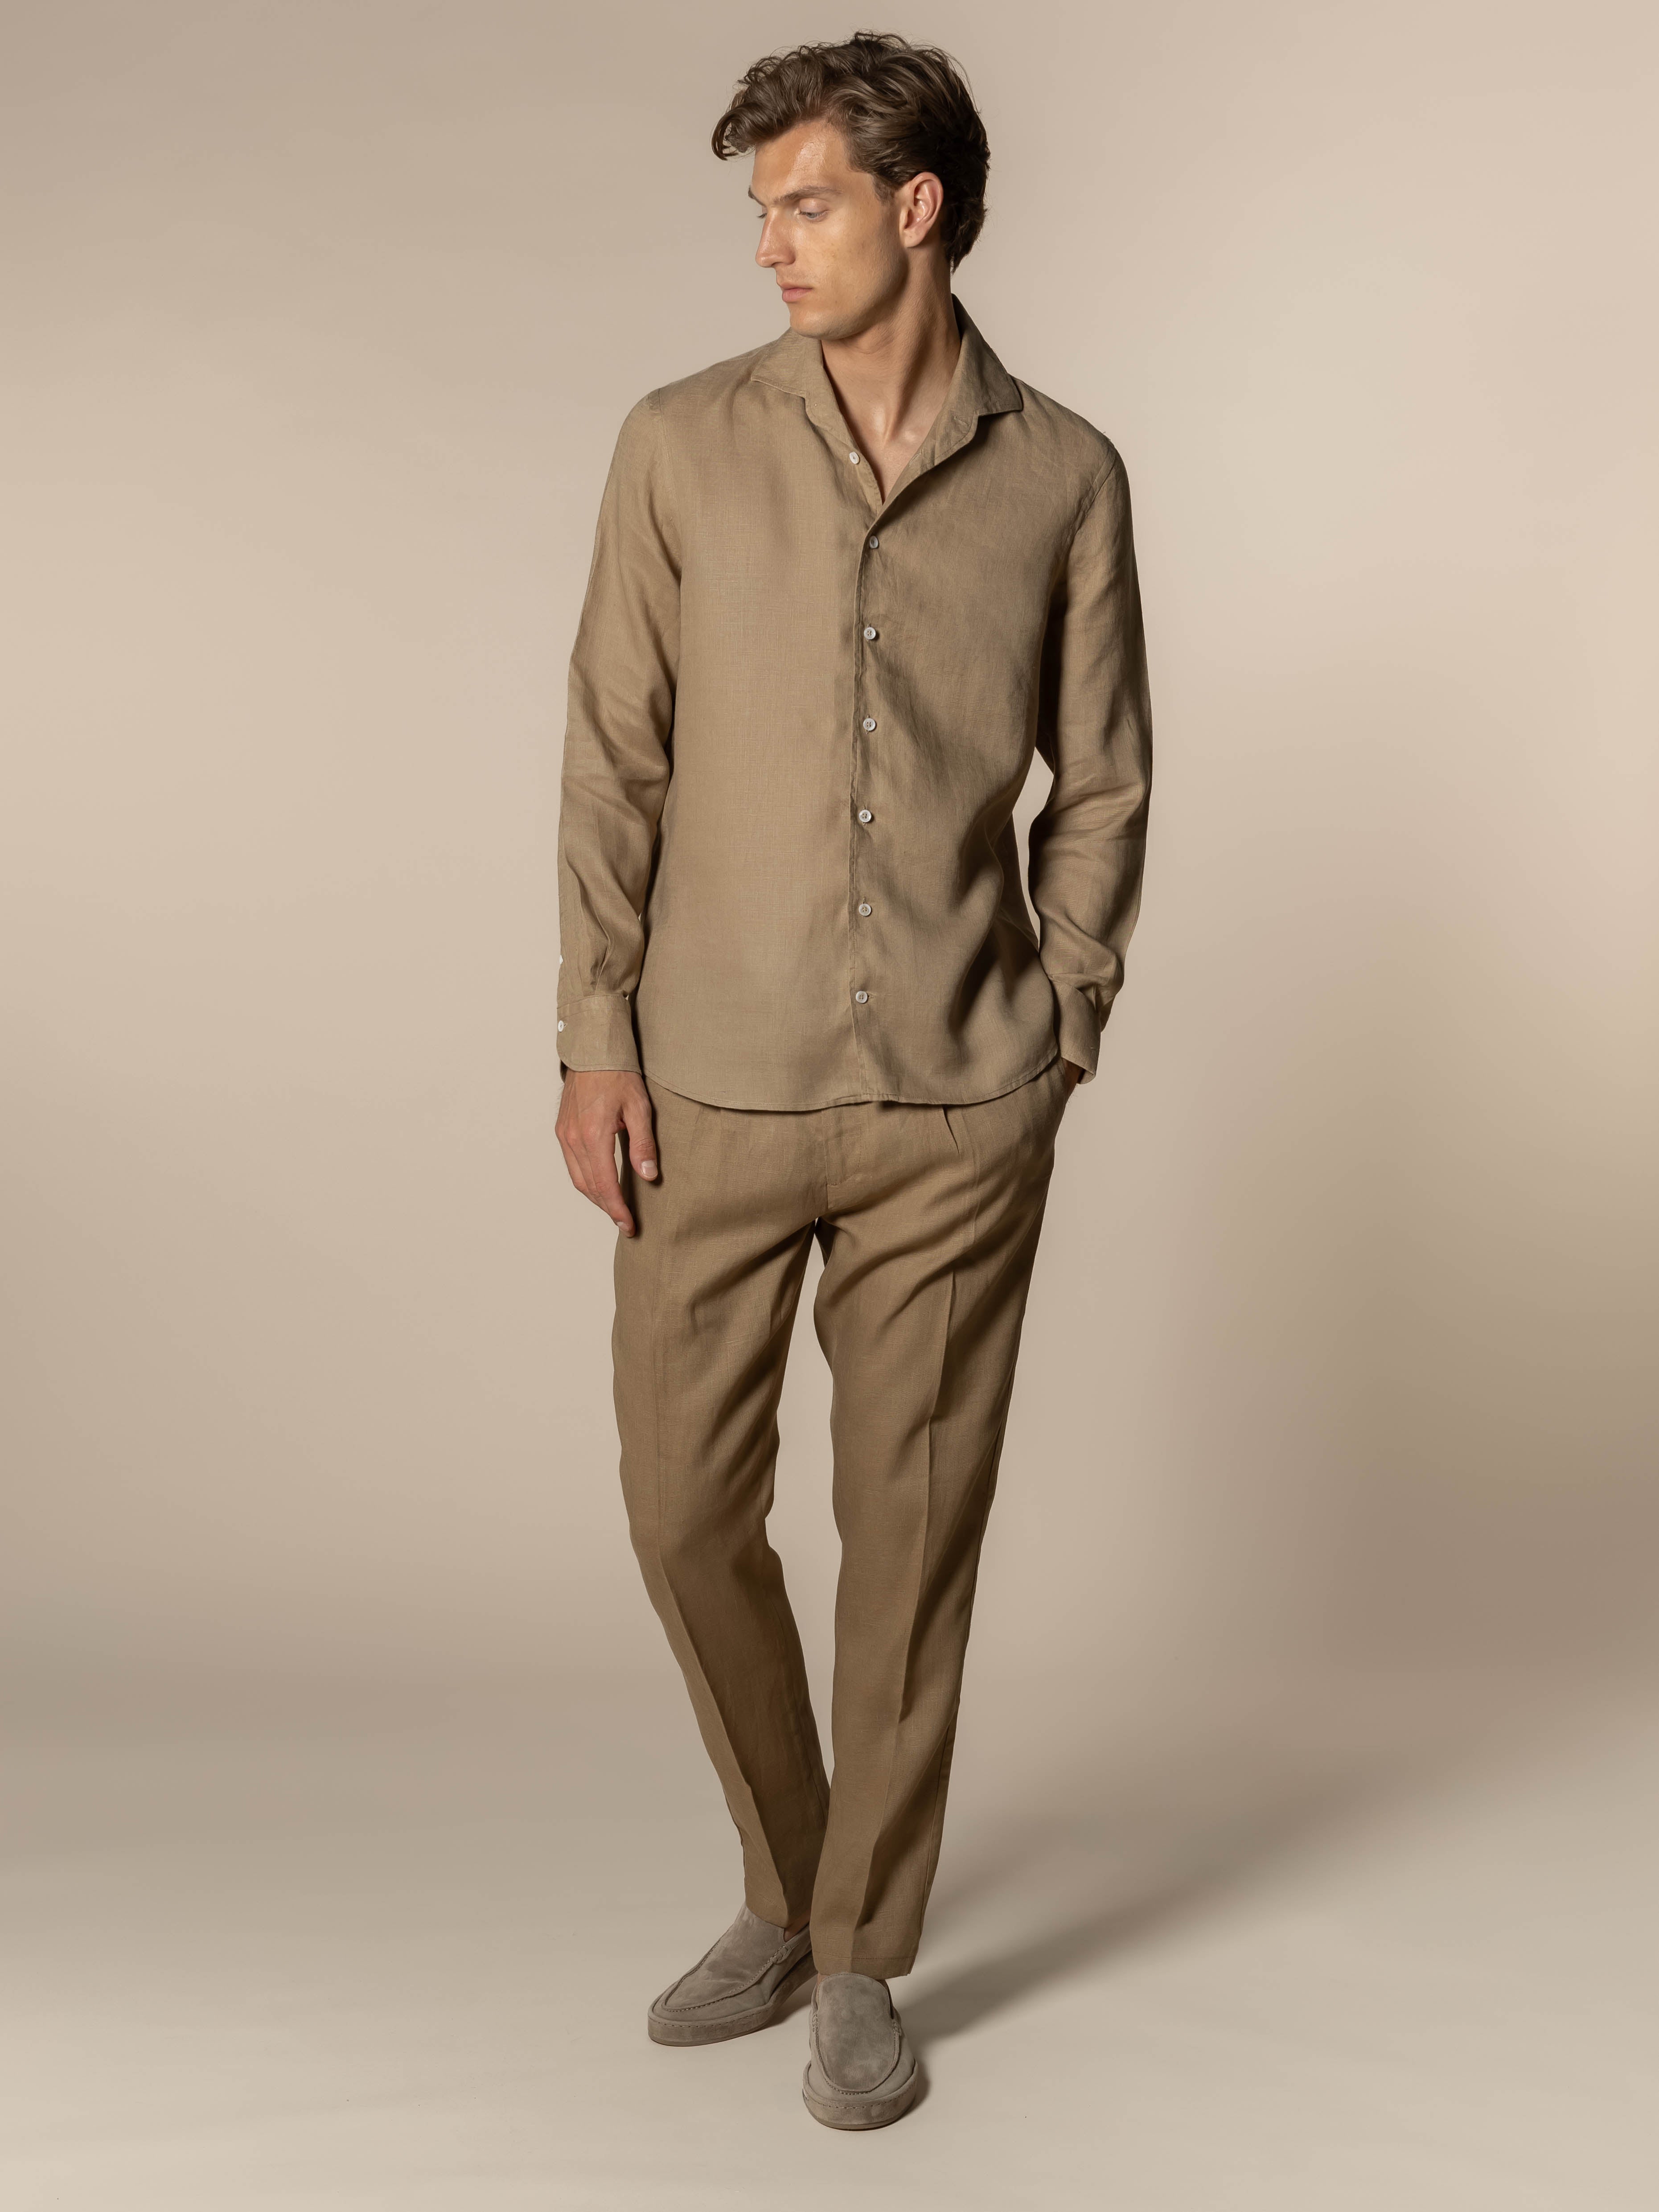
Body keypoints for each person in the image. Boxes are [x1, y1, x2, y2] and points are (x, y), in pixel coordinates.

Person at [554, 29, 1153, 2130]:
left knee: (908, 1538)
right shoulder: (675, 446)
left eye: (801, 203)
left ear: (915, 209)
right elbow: (611, 760)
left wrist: (1057, 1018)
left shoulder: (1065, 474)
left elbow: (1106, 779)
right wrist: (593, 1033)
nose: (769, 245)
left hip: (954, 1111)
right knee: (680, 1505)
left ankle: (856, 1949)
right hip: (704, 1086)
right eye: (760, 209)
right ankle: (789, 1877)